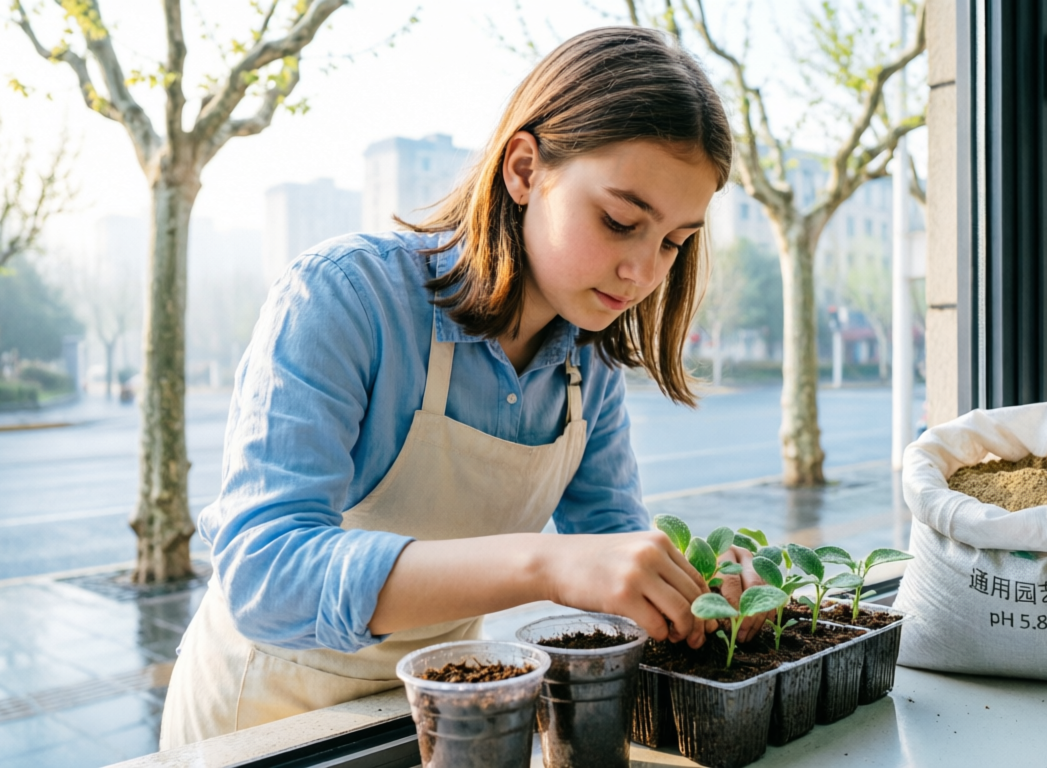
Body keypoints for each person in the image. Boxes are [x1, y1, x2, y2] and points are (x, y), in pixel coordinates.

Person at [159, 26, 768, 748]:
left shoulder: (588, 360)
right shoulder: (345, 297)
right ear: (524, 169)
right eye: (619, 221)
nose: (643, 273)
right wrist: (545, 564)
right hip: (265, 722)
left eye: (672, 242)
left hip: (448, 709)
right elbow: (266, 576)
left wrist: (692, 589)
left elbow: (607, 551)